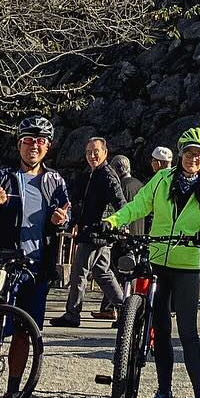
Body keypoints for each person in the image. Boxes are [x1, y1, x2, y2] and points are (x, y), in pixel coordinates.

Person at [105, 125, 200, 398]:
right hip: (158, 260)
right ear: (180, 154)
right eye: (189, 153)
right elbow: (138, 206)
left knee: (188, 332)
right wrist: (113, 220)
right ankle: (163, 392)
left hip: (187, 266)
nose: (193, 158)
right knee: (161, 330)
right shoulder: (160, 179)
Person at [0, 115, 72, 398]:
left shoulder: (55, 181)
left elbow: (67, 216)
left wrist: (62, 221)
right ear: (19, 144)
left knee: (25, 332)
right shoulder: (1, 176)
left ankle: (14, 392)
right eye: (29, 140)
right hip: (3, 263)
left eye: (40, 141)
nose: (34, 145)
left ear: (48, 147)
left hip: (37, 266)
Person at [52, 135, 126, 327]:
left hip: (97, 233)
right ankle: (125, 311)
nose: (92, 155)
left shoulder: (107, 175)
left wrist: (112, 223)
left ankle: (72, 314)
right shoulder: (94, 174)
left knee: (79, 273)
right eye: (89, 152)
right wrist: (78, 222)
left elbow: (120, 203)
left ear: (105, 153)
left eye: (96, 152)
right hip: (94, 231)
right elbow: (88, 205)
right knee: (102, 273)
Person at [112, 154, 145, 236]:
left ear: (116, 170)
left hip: (124, 236)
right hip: (139, 234)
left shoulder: (118, 187)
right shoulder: (140, 184)